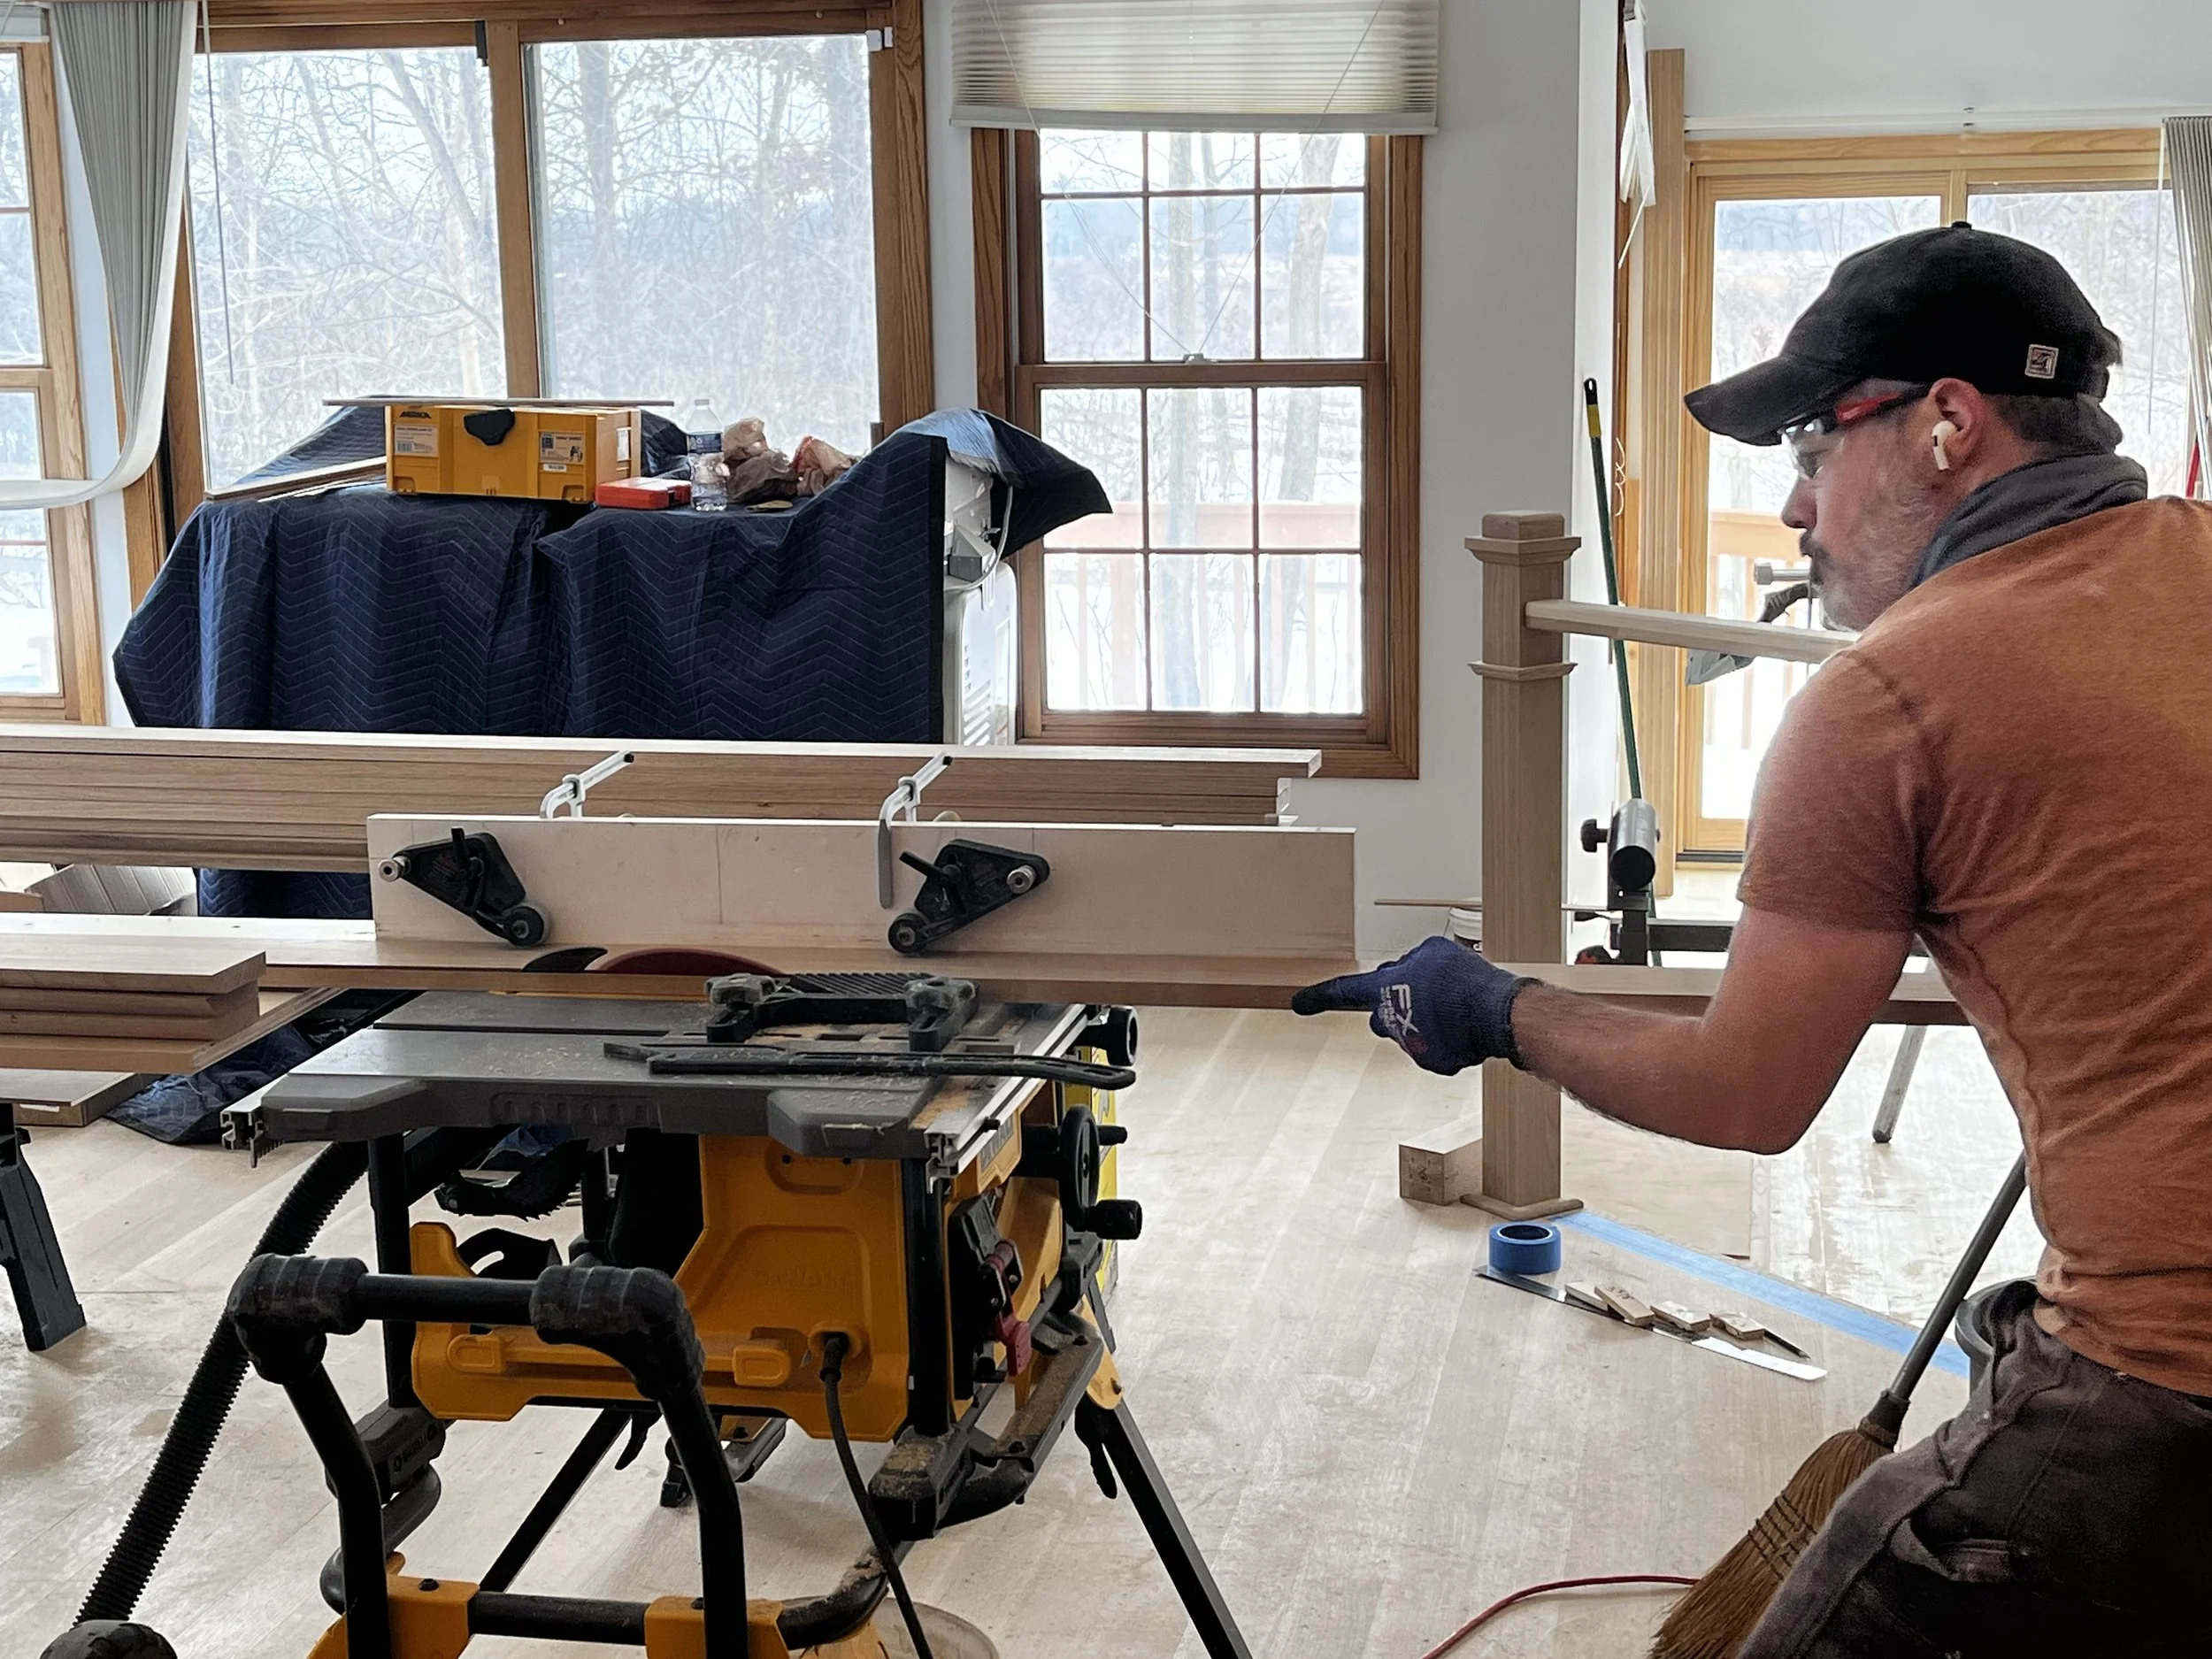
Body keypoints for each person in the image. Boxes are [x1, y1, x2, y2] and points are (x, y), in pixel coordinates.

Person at [1294, 223, 2212, 1656]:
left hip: (2171, 1382)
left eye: (1805, 446)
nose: (1793, 509)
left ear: (1947, 426)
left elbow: (1748, 1092)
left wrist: (1491, 1005)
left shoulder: (1892, 695)